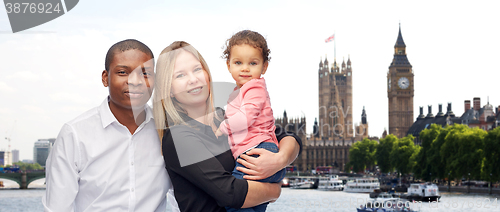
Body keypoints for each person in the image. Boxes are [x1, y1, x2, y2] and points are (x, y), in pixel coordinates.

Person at [153, 41, 302, 212]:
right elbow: (229, 193)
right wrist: (274, 191)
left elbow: (288, 137)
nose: (193, 80)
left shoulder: (224, 118)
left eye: (196, 70)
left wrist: (280, 159)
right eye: (180, 75)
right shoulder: (178, 137)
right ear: (169, 89)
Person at [43, 39, 175, 212]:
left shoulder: (167, 131)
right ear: (105, 78)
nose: (135, 81)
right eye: (122, 72)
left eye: (145, 73)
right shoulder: (74, 135)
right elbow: (57, 208)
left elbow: (183, 197)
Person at [214, 30, 284, 212]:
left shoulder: (254, 89)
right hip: (260, 151)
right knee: (254, 205)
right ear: (228, 65)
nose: (245, 68)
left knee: (234, 199)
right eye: (238, 63)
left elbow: (245, 118)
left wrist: (223, 127)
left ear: (264, 67)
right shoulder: (240, 91)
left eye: (252, 63)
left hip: (256, 153)